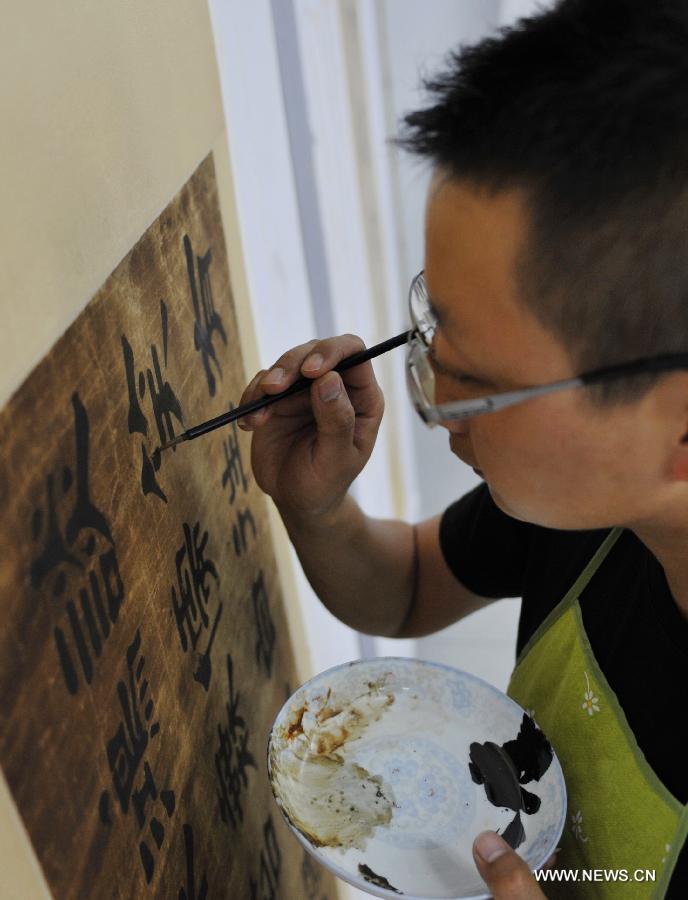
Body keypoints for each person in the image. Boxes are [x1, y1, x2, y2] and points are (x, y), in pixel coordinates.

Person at [239, 0, 688, 895]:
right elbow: (405, 585)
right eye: (430, 331)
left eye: (481, 382)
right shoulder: (592, 507)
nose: (439, 407)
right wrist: (318, 502)